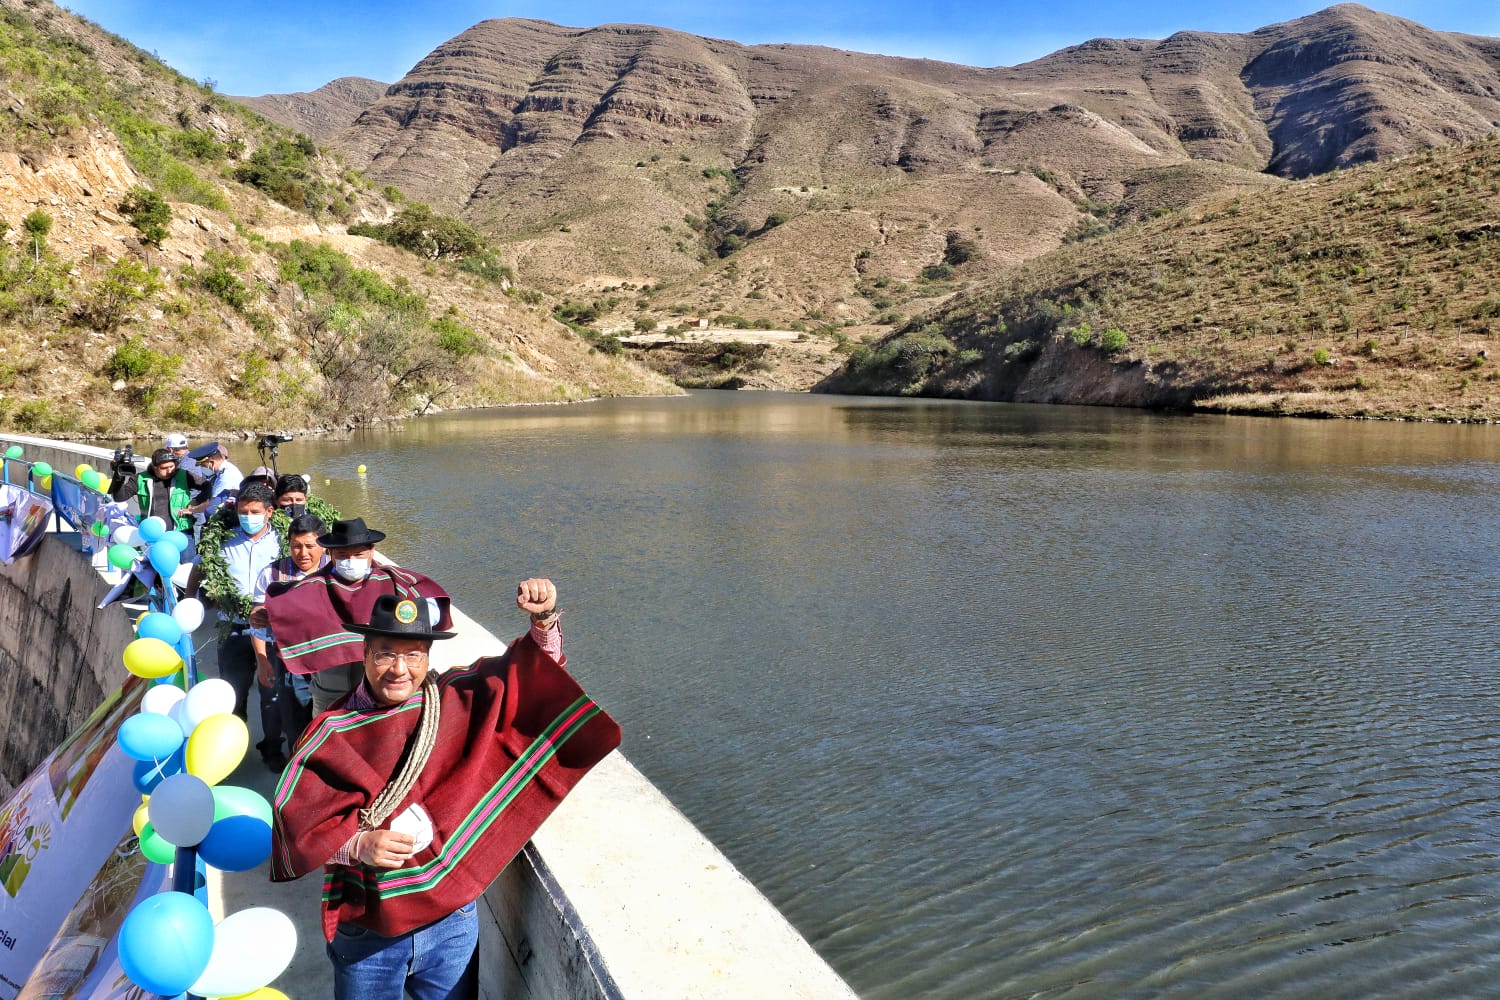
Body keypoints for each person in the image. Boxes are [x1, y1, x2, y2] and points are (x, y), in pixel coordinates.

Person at [271, 584, 620, 1000]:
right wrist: (358, 844)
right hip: (369, 930)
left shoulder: (453, 698)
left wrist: (543, 620)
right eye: (385, 653)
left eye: (414, 654)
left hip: (451, 921)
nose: (400, 669)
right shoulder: (331, 733)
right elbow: (296, 826)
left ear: (427, 657)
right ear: (364, 654)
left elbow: (526, 677)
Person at [263, 518, 452, 714]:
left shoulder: (396, 581)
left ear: (371, 551)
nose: (351, 560)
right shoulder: (313, 586)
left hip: (382, 686)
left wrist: (397, 622)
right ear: (331, 554)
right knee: (328, 736)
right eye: (342, 555)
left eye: (358, 554)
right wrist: (267, 616)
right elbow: (282, 608)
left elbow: (432, 610)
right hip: (330, 689)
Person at [187, 482, 286, 768]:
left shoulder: (282, 540)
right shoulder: (221, 538)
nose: (248, 517)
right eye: (243, 511)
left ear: (269, 512)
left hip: (272, 632)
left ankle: (272, 747)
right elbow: (199, 567)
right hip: (233, 628)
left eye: (254, 512)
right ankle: (232, 748)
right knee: (234, 691)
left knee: (271, 692)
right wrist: (189, 600)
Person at [251, 512, 328, 751]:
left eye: (309, 546)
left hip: (330, 661)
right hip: (290, 662)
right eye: (296, 546)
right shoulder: (272, 575)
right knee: (295, 718)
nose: (303, 554)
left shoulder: (337, 573)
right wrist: (263, 661)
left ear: (324, 547)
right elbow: (257, 621)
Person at [107, 447, 208, 532]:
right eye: (164, 468)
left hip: (182, 531)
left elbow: (207, 486)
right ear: (155, 467)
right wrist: (118, 476)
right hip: (152, 533)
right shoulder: (140, 479)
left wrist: (195, 505)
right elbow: (119, 498)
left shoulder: (184, 475)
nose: (169, 471)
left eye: (172, 466)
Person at [185, 442, 243, 522]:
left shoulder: (227, 476)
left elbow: (215, 504)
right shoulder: (223, 470)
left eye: (203, 466)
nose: (204, 469)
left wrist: (192, 510)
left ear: (211, 463)